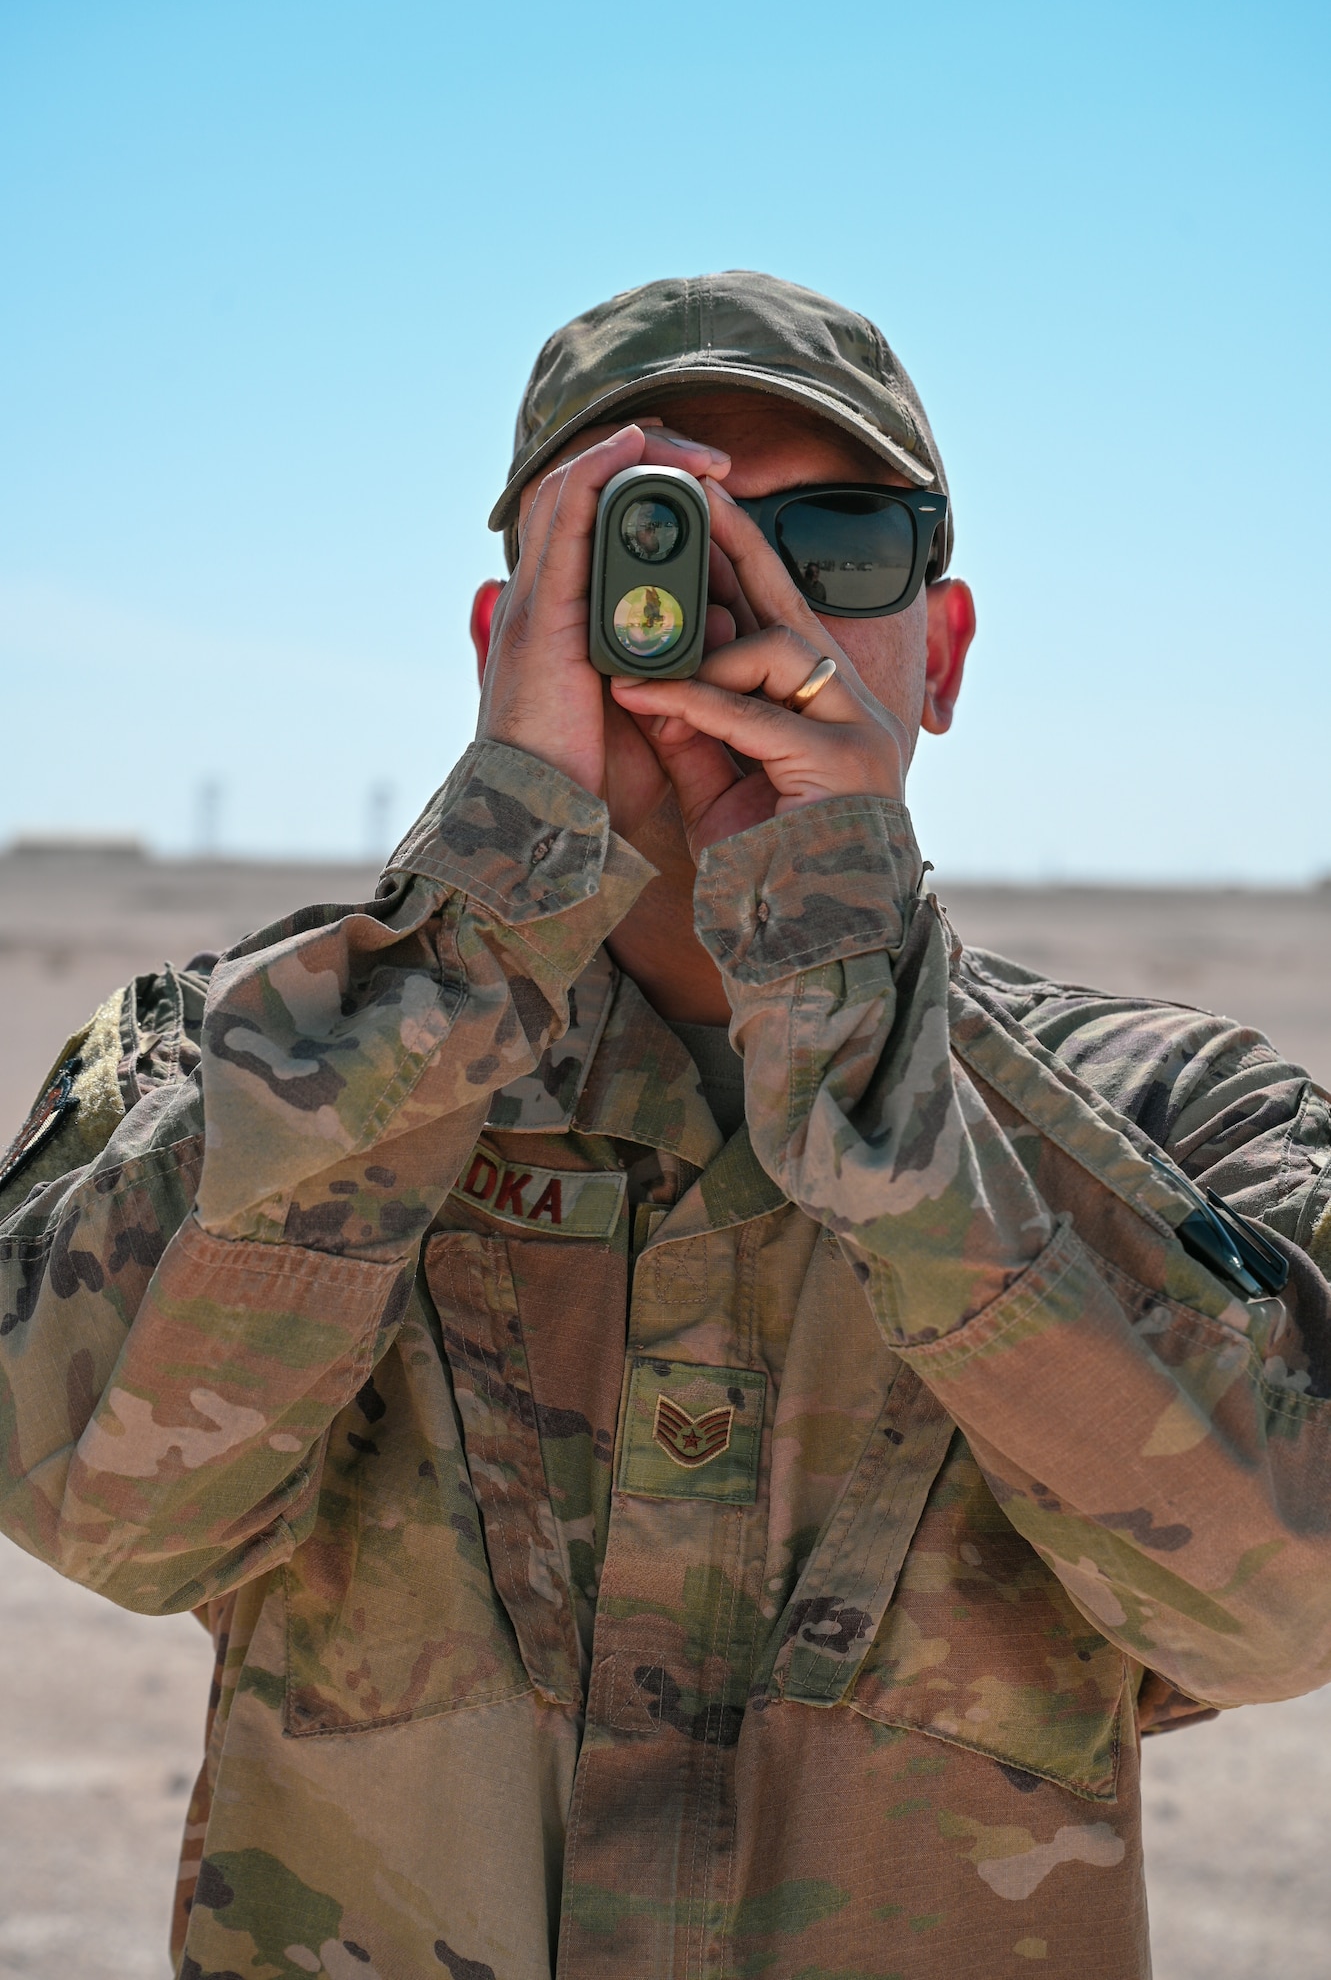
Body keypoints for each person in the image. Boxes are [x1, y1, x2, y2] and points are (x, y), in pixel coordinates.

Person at [1, 270, 1329, 1980]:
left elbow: (1283, 1598)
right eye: (653, 547)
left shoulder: (1168, 1127)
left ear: (942, 652)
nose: (739, 611)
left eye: (834, 543)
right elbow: (104, 1506)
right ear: (505, 641)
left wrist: (857, 1004)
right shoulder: (281, 1075)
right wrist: (483, 902)